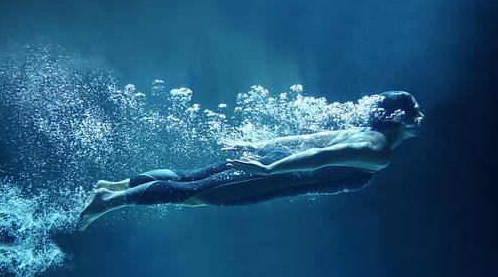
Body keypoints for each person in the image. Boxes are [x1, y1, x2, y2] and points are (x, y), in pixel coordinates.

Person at [78, 91, 424, 231]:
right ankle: (108, 201)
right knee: (196, 194)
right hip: (277, 175)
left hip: (275, 164)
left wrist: (261, 146)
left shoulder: (363, 131)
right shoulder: (379, 151)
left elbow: (306, 140)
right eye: (415, 111)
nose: (420, 116)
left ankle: (117, 186)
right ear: (399, 117)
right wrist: (268, 168)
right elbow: (320, 155)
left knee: (189, 177)